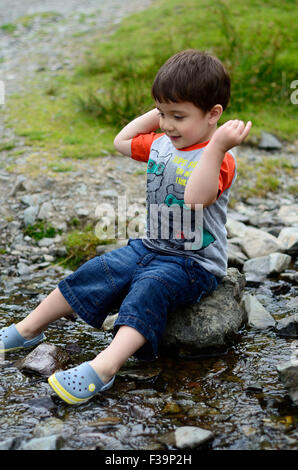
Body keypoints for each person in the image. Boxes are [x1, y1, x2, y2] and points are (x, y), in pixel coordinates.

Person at [0, 49, 251, 405]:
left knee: (148, 289)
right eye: (162, 114)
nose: (166, 125)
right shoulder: (162, 143)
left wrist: (218, 145)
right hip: (150, 246)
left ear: (213, 115)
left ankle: (104, 367)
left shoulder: (219, 157)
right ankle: (26, 329)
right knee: (97, 270)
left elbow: (196, 198)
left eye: (178, 116)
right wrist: (161, 111)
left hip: (193, 263)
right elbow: (120, 141)